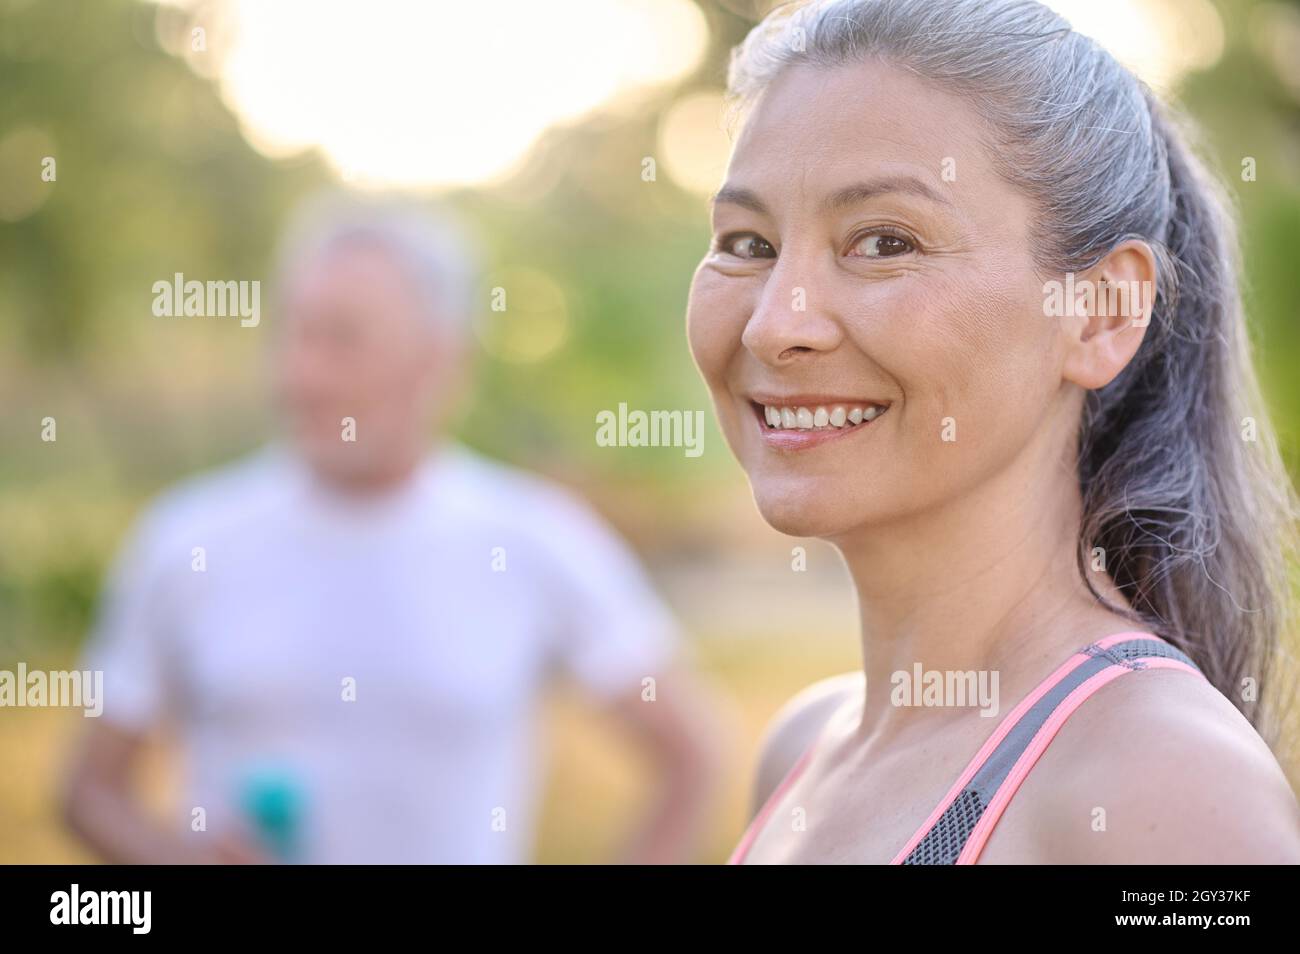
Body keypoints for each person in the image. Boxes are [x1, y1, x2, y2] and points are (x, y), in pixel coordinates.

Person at [687, 0, 1300, 863]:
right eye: (747, 243)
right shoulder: (804, 746)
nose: (773, 325)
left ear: (1099, 311)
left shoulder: (1161, 786)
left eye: (884, 240)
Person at [62, 196, 727, 864]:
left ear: (441, 362)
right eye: (297, 334)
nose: (304, 374)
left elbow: (691, 757)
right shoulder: (187, 540)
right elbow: (89, 794)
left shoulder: (532, 539)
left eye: (344, 340)